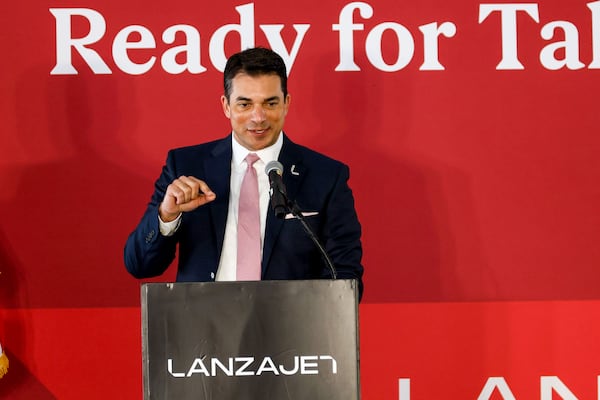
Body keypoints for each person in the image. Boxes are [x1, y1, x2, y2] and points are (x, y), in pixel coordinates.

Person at [124, 47, 364, 299]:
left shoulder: (325, 176)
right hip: (200, 328)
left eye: (270, 103)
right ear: (226, 106)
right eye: (245, 104)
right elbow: (139, 264)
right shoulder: (185, 166)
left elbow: (345, 279)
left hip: (290, 330)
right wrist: (167, 215)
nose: (258, 117)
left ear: (286, 104)